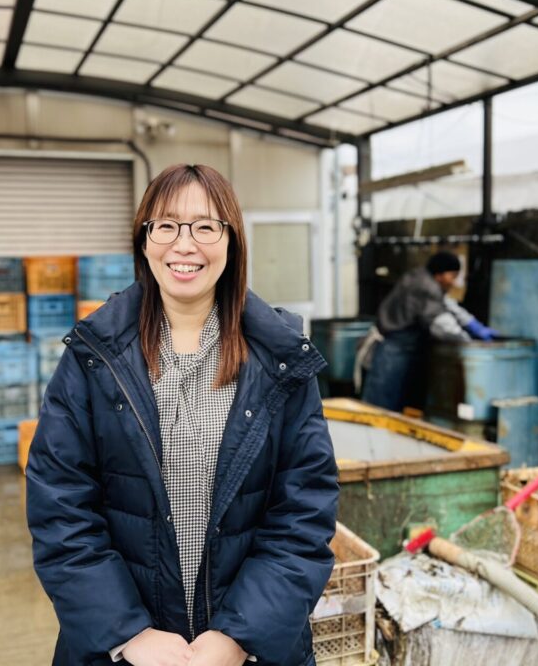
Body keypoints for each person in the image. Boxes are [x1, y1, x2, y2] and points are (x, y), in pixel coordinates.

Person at [26, 164, 340, 666]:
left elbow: (303, 512)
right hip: (124, 654)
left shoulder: (281, 361)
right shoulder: (94, 355)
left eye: (205, 226)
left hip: (247, 653)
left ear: (232, 241)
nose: (184, 244)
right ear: (144, 240)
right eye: (166, 225)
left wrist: (239, 636)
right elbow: (60, 507)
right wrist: (129, 634)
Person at [361, 251, 497, 413]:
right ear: (439, 274)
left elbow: (447, 305)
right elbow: (441, 324)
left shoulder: (423, 277)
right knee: (380, 402)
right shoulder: (425, 286)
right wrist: (469, 342)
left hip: (403, 348)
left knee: (396, 402)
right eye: (452, 276)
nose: (454, 282)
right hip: (394, 350)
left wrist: (473, 324)